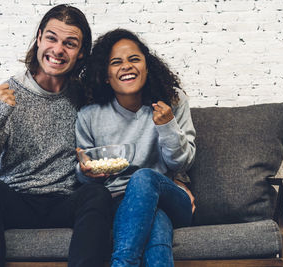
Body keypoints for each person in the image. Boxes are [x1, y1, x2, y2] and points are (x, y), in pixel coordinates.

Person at [0, 5, 112, 267]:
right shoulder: (7, 95)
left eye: (70, 43)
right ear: (39, 38)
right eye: (52, 38)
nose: (58, 50)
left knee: (98, 196)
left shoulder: (84, 96)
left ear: (81, 53)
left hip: (65, 201)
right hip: (16, 199)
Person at [75, 29, 196, 267]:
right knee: (157, 226)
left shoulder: (172, 103)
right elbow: (85, 177)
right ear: (106, 75)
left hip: (171, 196)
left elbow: (182, 163)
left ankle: (123, 262)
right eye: (116, 62)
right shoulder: (89, 117)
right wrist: (86, 172)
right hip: (121, 203)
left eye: (134, 59)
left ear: (147, 67)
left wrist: (168, 126)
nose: (126, 66)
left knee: (142, 178)